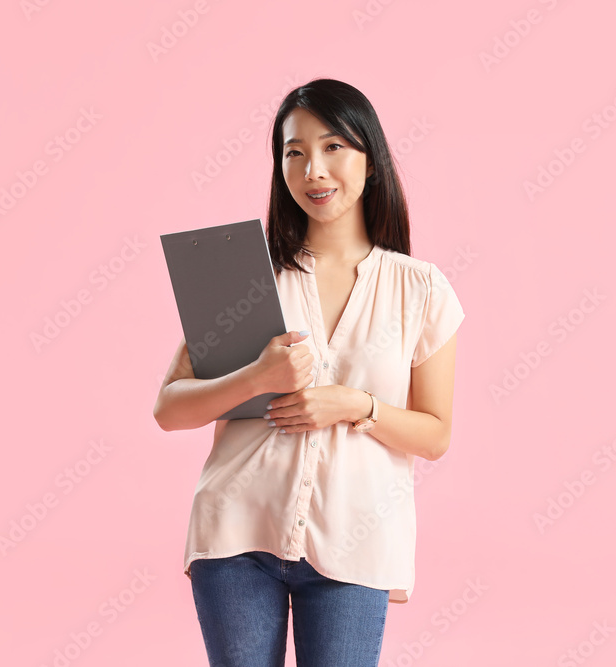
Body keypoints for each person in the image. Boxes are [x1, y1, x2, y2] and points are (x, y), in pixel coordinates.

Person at [153, 78, 465, 667]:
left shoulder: (419, 288)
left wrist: (356, 405)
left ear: (370, 161)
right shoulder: (243, 275)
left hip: (356, 541)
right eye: (294, 152)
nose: (313, 170)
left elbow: (436, 433)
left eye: (332, 148)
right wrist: (255, 377)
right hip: (236, 535)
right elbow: (169, 408)